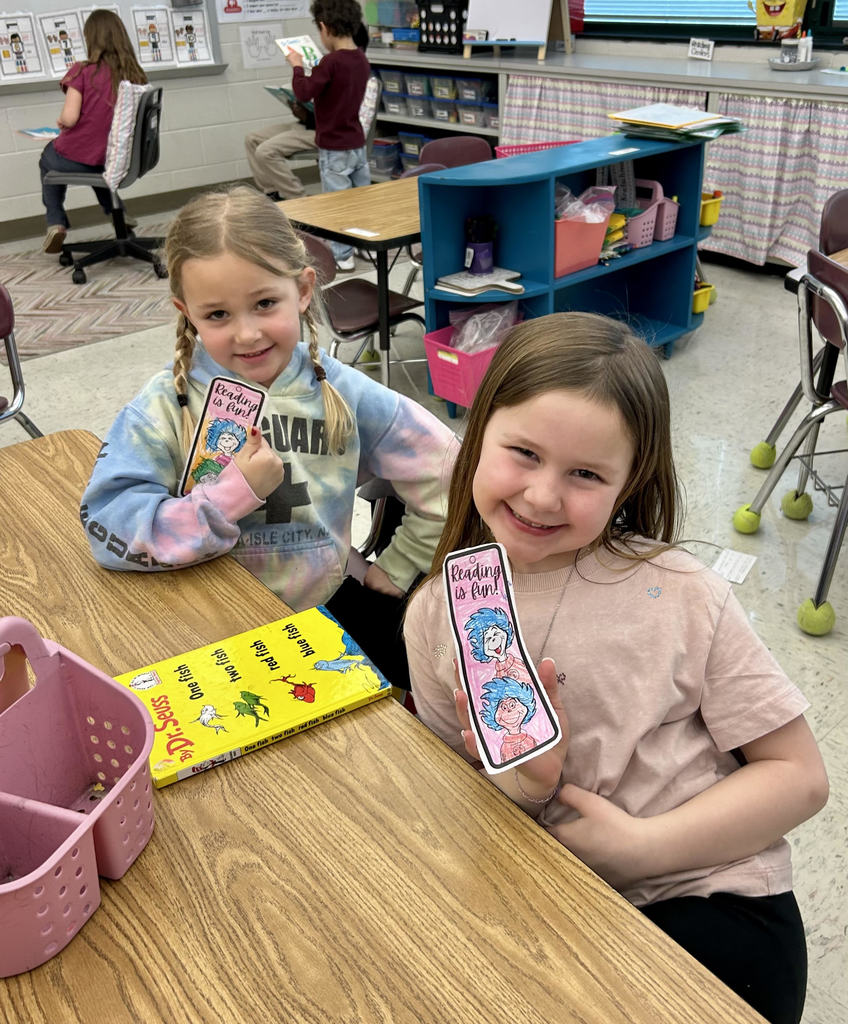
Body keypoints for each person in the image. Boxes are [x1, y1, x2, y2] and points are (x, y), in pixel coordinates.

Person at [404, 312, 829, 1024]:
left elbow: (800, 778)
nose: (543, 495)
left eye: (586, 474)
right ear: (477, 437)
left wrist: (640, 848)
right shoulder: (434, 614)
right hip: (548, 901)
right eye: (524, 453)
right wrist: (527, 786)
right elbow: (454, 796)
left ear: (629, 483)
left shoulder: (683, 592)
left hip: (710, 891)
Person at [80, 184, 457, 688]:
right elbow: (108, 527)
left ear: (302, 290)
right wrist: (227, 497)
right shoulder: (164, 406)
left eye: (264, 303)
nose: (247, 334)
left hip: (324, 610)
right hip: (205, 624)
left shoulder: (344, 390)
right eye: (217, 314)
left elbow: (448, 469)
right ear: (186, 311)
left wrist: (399, 564)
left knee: (419, 687)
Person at [38, 9, 147, 254]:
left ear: (91, 39)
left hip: (84, 158)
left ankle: (55, 222)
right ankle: (118, 215)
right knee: (99, 166)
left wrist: (62, 120)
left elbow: (70, 117)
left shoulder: (82, 71)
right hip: (118, 159)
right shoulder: (135, 74)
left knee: (48, 160)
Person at [286, 1, 370, 271]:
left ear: (324, 28)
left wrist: (297, 66)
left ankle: (343, 256)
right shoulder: (361, 59)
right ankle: (365, 244)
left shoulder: (330, 62)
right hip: (357, 143)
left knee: (337, 204)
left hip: (334, 147)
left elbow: (303, 92)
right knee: (360, 199)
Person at [245, 22, 368, 206]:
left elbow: (312, 96)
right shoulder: (345, 63)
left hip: (324, 131)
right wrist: (301, 110)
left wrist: (297, 67)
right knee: (252, 139)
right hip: (310, 122)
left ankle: (298, 199)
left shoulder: (338, 65)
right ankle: (272, 193)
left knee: (265, 151)